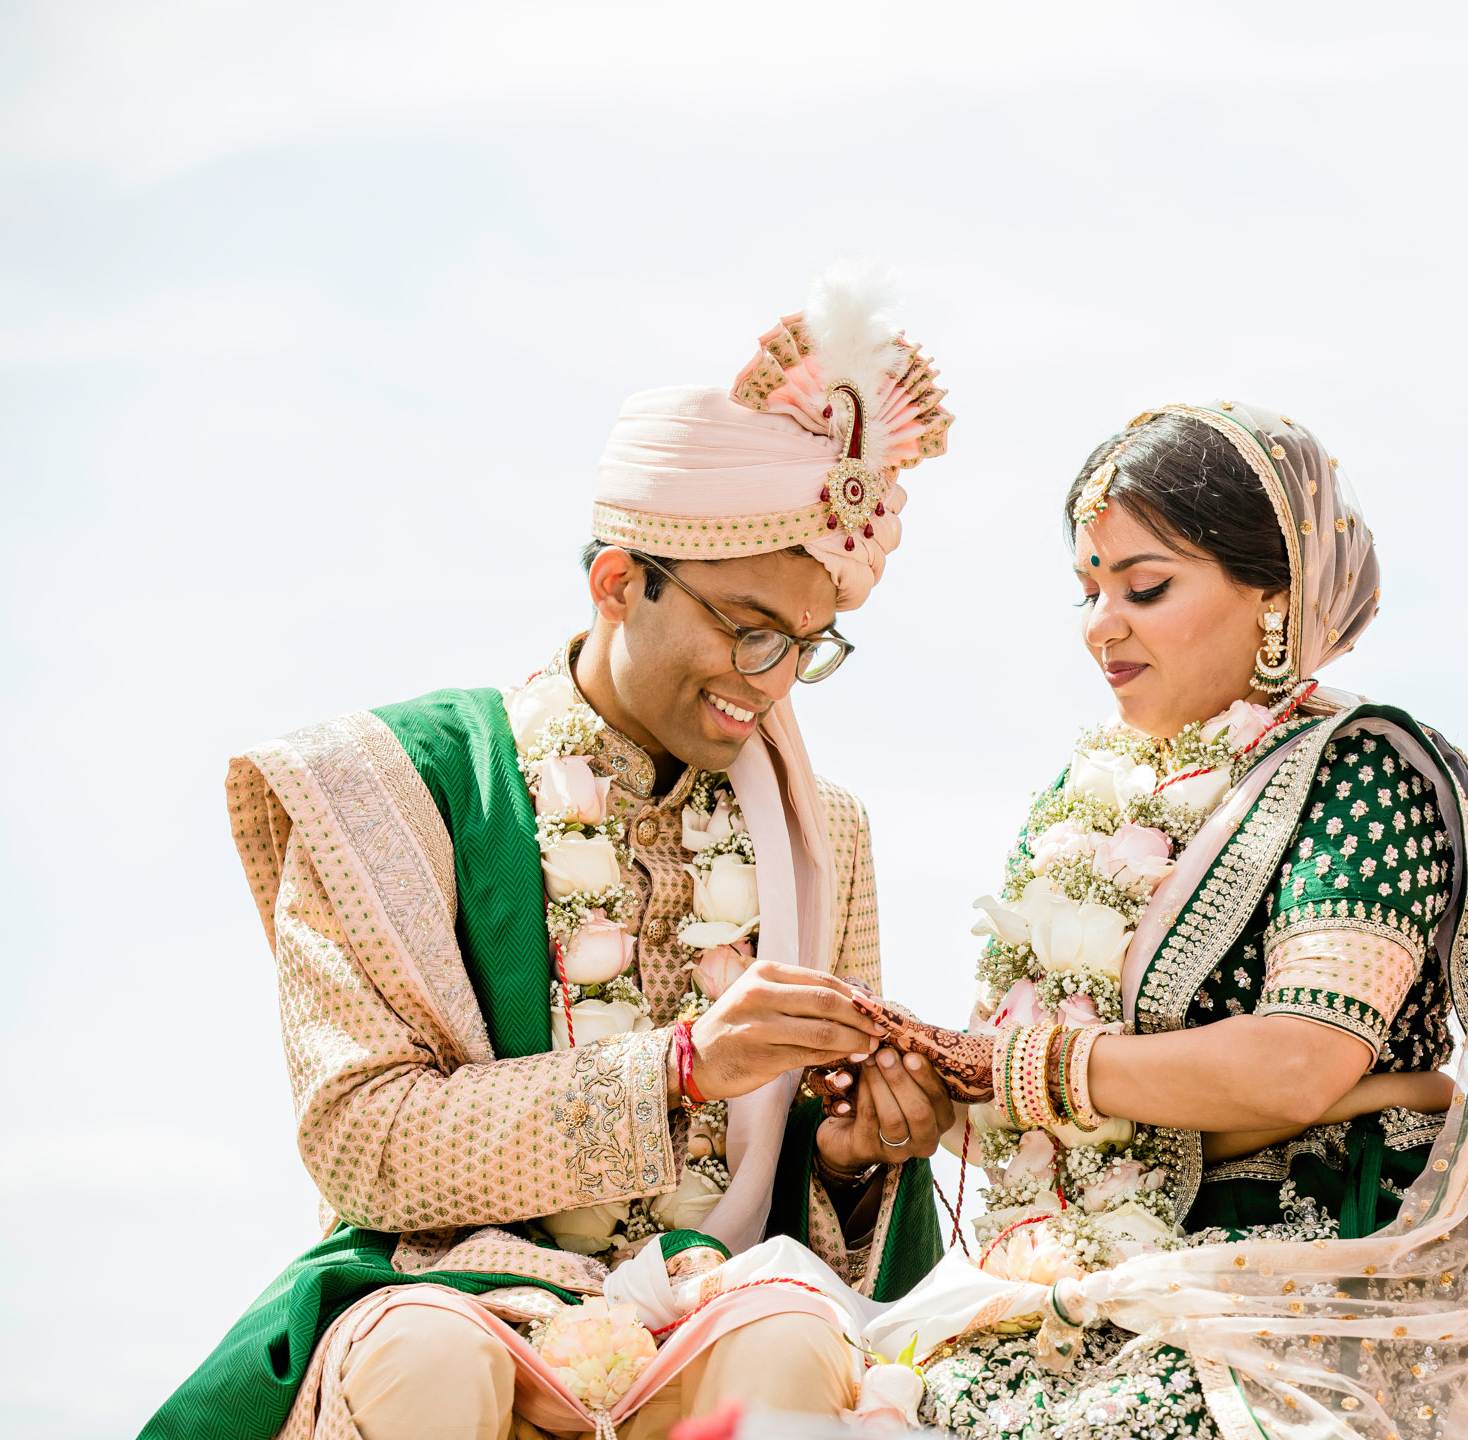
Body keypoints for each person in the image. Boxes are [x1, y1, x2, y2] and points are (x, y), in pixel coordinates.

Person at [841, 402, 1468, 1438]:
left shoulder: (1360, 769)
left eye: (1145, 587)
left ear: (1275, 593)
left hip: (1328, 1260)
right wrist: (924, 1088)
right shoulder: (1083, 799)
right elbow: (1056, 1101)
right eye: (1087, 590)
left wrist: (1013, 1068)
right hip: (1107, 1275)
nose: (1101, 626)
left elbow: (1302, 1061)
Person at [143, 271, 958, 1440]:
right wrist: (676, 1071)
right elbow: (362, 1143)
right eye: (747, 629)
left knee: (790, 1337)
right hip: (440, 1290)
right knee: (427, 1356)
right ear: (618, 583)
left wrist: (849, 1153)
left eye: (808, 647)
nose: (769, 684)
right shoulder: (388, 787)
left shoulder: (824, 833)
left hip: (714, 1304)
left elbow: (810, 1215)